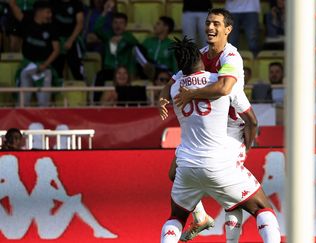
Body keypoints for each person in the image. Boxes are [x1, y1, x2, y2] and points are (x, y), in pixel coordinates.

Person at [160, 8, 273, 242]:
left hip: (232, 128)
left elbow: (223, 89)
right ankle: (200, 217)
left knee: (232, 199)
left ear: (228, 29)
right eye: (208, 23)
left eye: (216, 24)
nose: (210, 28)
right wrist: (163, 97)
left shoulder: (231, 57)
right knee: (175, 173)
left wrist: (191, 94)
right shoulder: (199, 54)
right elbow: (175, 76)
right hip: (208, 125)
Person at [31, 157, 117, 239]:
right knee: (74, 202)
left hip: (49, 229)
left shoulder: (45, 186)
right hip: (48, 230)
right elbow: (66, 199)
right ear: (46, 171)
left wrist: (57, 179)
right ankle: (98, 229)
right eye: (53, 167)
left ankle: (98, 229)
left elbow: (64, 197)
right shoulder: (43, 188)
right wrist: (56, 179)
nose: (56, 169)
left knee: (74, 201)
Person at [9, 0, 60, 107]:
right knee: (23, 103)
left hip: (44, 70)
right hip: (27, 67)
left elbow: (56, 50)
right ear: (39, 12)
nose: (50, 15)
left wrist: (45, 65)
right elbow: (15, 8)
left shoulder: (52, 27)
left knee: (44, 104)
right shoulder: (27, 22)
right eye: (48, 12)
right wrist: (12, 3)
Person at [93, 0, 139, 102]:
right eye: (115, 22)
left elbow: (136, 44)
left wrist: (121, 38)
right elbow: (96, 29)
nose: (118, 25)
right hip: (110, 70)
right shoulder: (108, 36)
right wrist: (105, 12)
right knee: (100, 75)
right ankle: (96, 103)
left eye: (121, 23)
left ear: (125, 25)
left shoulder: (128, 36)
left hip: (123, 71)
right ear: (112, 24)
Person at [50, 0, 85, 82]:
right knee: (56, 70)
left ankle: (83, 92)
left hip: (72, 39)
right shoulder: (53, 2)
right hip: (57, 41)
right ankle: (57, 93)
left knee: (77, 70)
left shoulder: (77, 4)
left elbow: (80, 23)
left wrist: (71, 40)